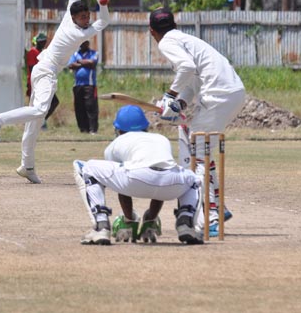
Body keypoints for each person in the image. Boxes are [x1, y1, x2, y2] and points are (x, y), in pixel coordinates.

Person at [0, 0, 110, 184]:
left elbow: (103, 20)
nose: (86, 20)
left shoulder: (84, 30)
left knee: (35, 121)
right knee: (40, 111)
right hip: (46, 71)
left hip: (43, 70)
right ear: (73, 16)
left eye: (88, 17)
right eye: (82, 17)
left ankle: (27, 166)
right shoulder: (71, 23)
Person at [149, 7, 245, 236]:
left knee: (198, 151)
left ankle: (212, 215)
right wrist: (180, 103)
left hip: (218, 94)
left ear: (152, 31)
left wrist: (169, 96)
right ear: (173, 24)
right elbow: (192, 82)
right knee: (199, 147)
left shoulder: (167, 42)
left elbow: (187, 68)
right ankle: (217, 208)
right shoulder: (186, 39)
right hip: (234, 92)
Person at [72, 105, 204, 246]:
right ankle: (186, 222)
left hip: (135, 179)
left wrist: (129, 220)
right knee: (194, 179)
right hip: (172, 183)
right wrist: (151, 219)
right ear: (145, 126)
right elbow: (159, 177)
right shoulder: (161, 138)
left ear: (119, 129)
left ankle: (101, 226)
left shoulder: (116, 143)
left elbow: (121, 187)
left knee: (85, 167)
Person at [26, 33, 59, 130]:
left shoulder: (42, 52)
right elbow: (32, 68)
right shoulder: (33, 52)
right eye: (42, 42)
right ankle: (37, 123)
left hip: (44, 81)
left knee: (53, 102)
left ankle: (41, 121)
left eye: (44, 42)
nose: (44, 44)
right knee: (39, 104)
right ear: (38, 42)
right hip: (36, 81)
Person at [67, 40, 99, 134]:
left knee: (91, 107)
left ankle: (93, 129)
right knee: (79, 107)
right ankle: (83, 129)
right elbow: (71, 65)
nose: (82, 44)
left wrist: (79, 62)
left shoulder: (94, 53)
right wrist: (85, 63)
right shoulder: (75, 54)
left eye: (84, 43)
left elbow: (92, 63)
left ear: (88, 43)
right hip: (77, 85)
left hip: (89, 85)